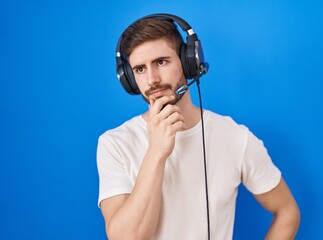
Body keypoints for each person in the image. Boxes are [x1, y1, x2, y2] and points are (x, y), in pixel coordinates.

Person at [97, 14, 300, 240]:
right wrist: (156, 152)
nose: (152, 79)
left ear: (188, 62)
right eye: (140, 69)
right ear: (130, 79)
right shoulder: (114, 143)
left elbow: (287, 212)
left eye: (161, 62)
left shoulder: (235, 136)